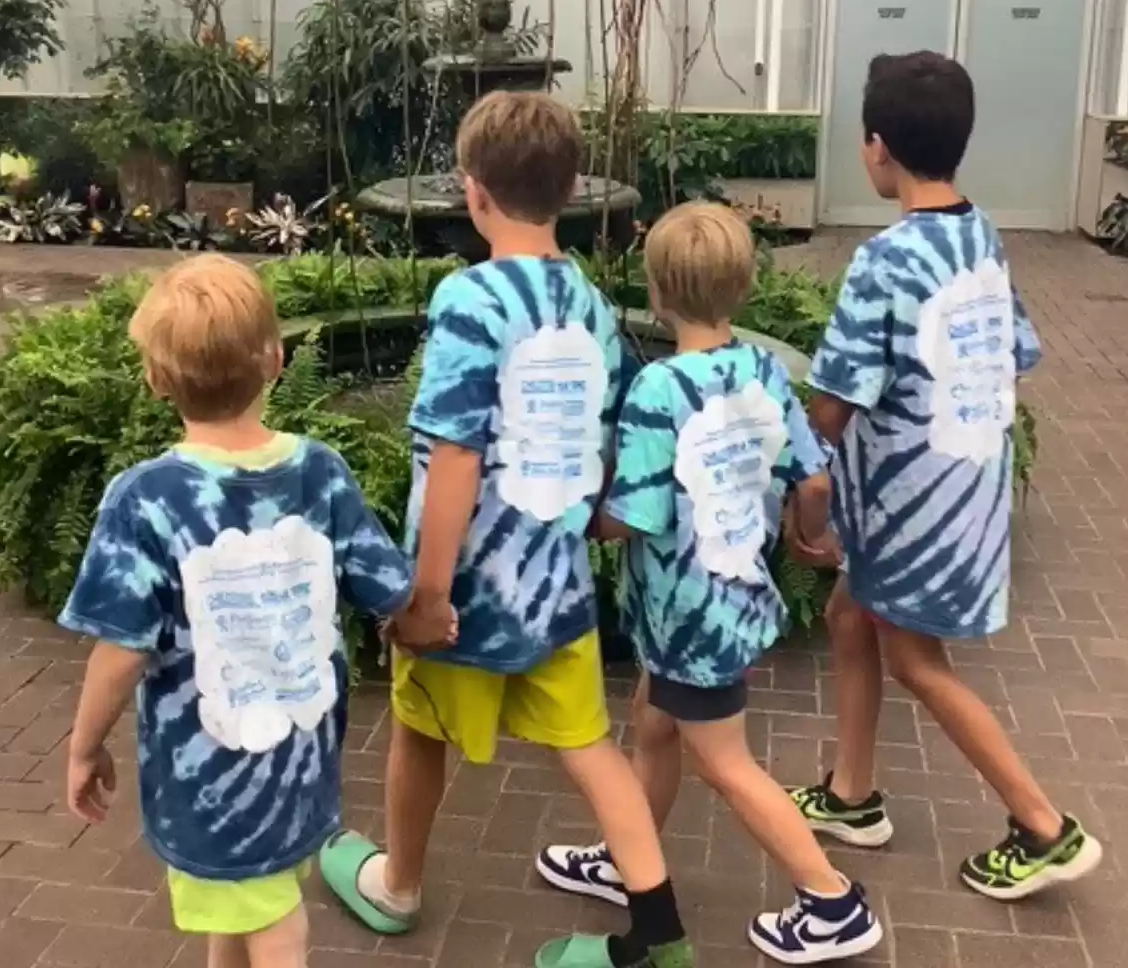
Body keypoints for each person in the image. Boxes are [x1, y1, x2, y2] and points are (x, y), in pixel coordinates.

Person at [318, 91, 694, 968]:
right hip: (557, 587)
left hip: (468, 595)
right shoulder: (591, 305)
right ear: (568, 190)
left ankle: (397, 887)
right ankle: (658, 932)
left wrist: (426, 596)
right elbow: (605, 440)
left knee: (418, 729)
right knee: (590, 747)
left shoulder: (470, 298)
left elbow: (455, 454)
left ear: (472, 190)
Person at [787, 50, 1103, 900]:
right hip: (966, 488)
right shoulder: (980, 234)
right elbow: (1014, 351)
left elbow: (833, 401)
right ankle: (852, 796)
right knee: (850, 616)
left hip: (910, 507)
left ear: (876, 147)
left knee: (916, 660)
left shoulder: (886, 260)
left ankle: (1043, 825)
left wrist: (801, 485)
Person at [536, 203, 883, 966]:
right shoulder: (764, 371)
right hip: (730, 595)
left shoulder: (658, 389)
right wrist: (810, 534)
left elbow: (632, 518)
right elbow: (814, 479)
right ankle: (626, 855)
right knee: (654, 723)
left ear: (657, 290)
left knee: (725, 764)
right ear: (744, 285)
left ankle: (831, 900)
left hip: (686, 616)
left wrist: (573, 516)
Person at [59, 254, 412, 968]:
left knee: (273, 926)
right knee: (245, 907)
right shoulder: (319, 472)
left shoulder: (146, 499)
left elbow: (122, 648)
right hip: (302, 758)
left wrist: (83, 747)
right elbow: (388, 588)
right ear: (276, 359)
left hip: (207, 780)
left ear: (155, 378)